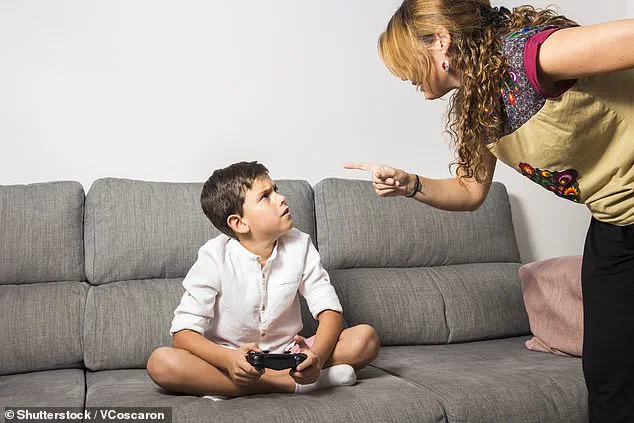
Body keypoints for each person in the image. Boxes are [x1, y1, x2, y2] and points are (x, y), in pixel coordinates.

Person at [345, 2, 634, 421]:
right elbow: (470, 190)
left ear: (440, 42)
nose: (403, 75)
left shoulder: (532, 55)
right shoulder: (481, 106)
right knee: (608, 372)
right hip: (614, 221)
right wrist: (412, 185)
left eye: (405, 59)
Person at [146, 161, 380, 400]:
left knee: (365, 339)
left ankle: (261, 383)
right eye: (266, 196)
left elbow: (330, 311)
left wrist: (316, 358)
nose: (281, 198)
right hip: (230, 358)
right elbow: (183, 333)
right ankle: (290, 384)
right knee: (161, 363)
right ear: (239, 223)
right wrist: (228, 360)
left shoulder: (300, 244)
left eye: (276, 190)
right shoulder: (213, 256)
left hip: (289, 355)